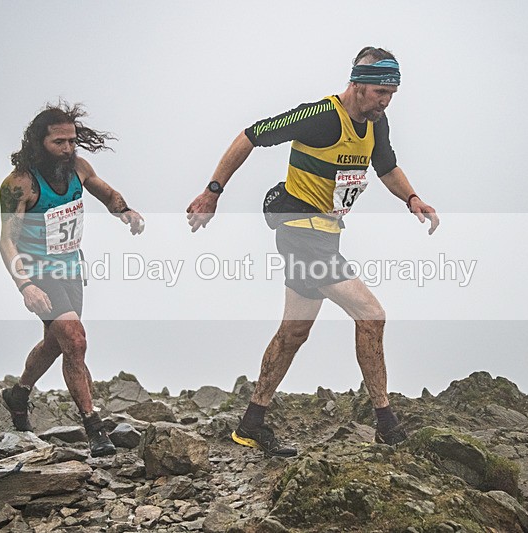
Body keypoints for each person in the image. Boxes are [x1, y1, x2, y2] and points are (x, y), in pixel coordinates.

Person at [186, 46, 439, 457]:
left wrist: (412, 199)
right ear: (356, 83)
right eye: (379, 91)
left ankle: (251, 425)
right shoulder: (321, 117)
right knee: (371, 316)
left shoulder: (377, 123)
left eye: (392, 93)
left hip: (326, 235)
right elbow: (250, 135)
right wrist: (212, 192)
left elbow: (387, 168)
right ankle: (387, 424)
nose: (385, 100)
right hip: (299, 232)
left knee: (293, 333)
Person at [0, 103, 144, 457]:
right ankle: (93, 426)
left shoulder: (78, 168)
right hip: (37, 271)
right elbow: (6, 241)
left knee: (57, 341)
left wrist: (124, 210)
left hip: (70, 268)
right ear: (38, 142)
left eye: (71, 141)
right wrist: (25, 286)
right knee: (75, 340)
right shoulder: (21, 184)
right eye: (58, 142)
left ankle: (18, 394)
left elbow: (105, 192)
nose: (67, 149)